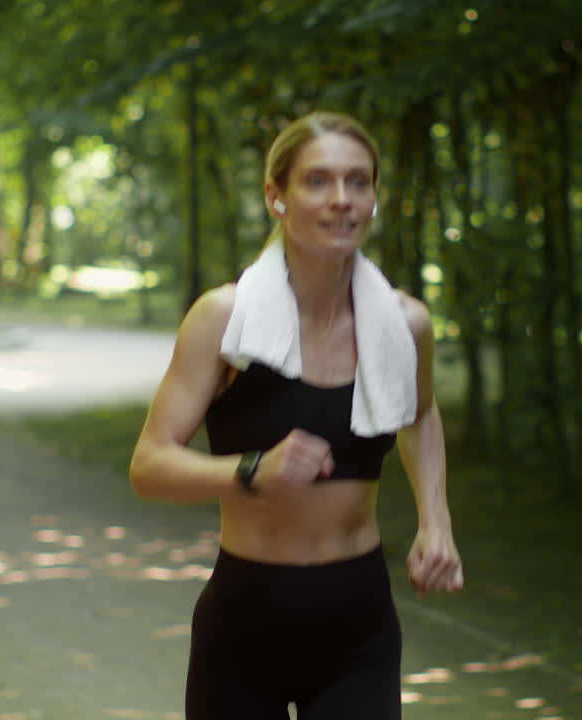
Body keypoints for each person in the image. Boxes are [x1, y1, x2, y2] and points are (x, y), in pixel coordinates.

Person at [128, 110, 464, 719]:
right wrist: (251, 469)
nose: (342, 199)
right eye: (317, 181)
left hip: (358, 626)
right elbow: (149, 465)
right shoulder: (223, 320)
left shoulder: (404, 323)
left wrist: (434, 521)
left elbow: (418, 414)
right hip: (242, 626)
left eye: (358, 182)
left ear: (374, 196)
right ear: (275, 197)